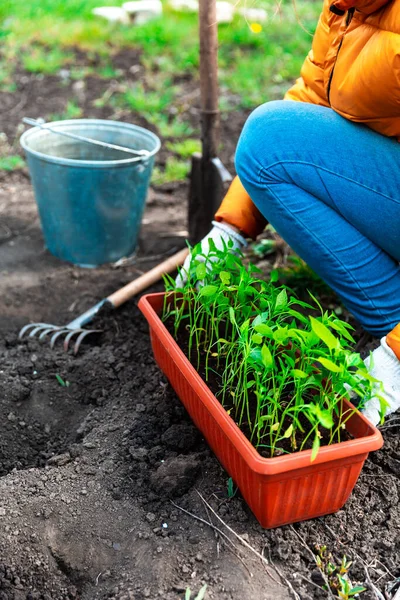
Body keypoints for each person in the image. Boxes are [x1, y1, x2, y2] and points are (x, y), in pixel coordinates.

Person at [177, 0, 400, 426]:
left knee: (269, 133)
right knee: (273, 138)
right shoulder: (349, 5)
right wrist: (231, 229)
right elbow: (312, 100)